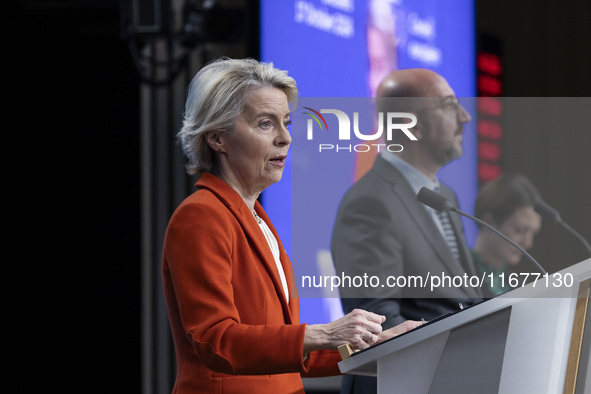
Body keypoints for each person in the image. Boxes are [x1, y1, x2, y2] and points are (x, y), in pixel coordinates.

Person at [161, 58, 421, 394]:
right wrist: (325, 333)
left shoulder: (256, 220)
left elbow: (288, 354)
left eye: (286, 122)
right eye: (265, 124)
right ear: (216, 138)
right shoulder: (201, 215)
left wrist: (377, 346)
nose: (285, 138)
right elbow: (215, 340)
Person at [331, 68, 484, 394]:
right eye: (449, 105)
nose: (465, 117)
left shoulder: (445, 196)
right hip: (400, 383)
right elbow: (378, 320)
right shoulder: (370, 201)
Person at [471, 173, 542, 298]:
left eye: (533, 233)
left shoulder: (524, 288)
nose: (528, 243)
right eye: (520, 230)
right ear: (489, 221)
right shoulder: (452, 275)